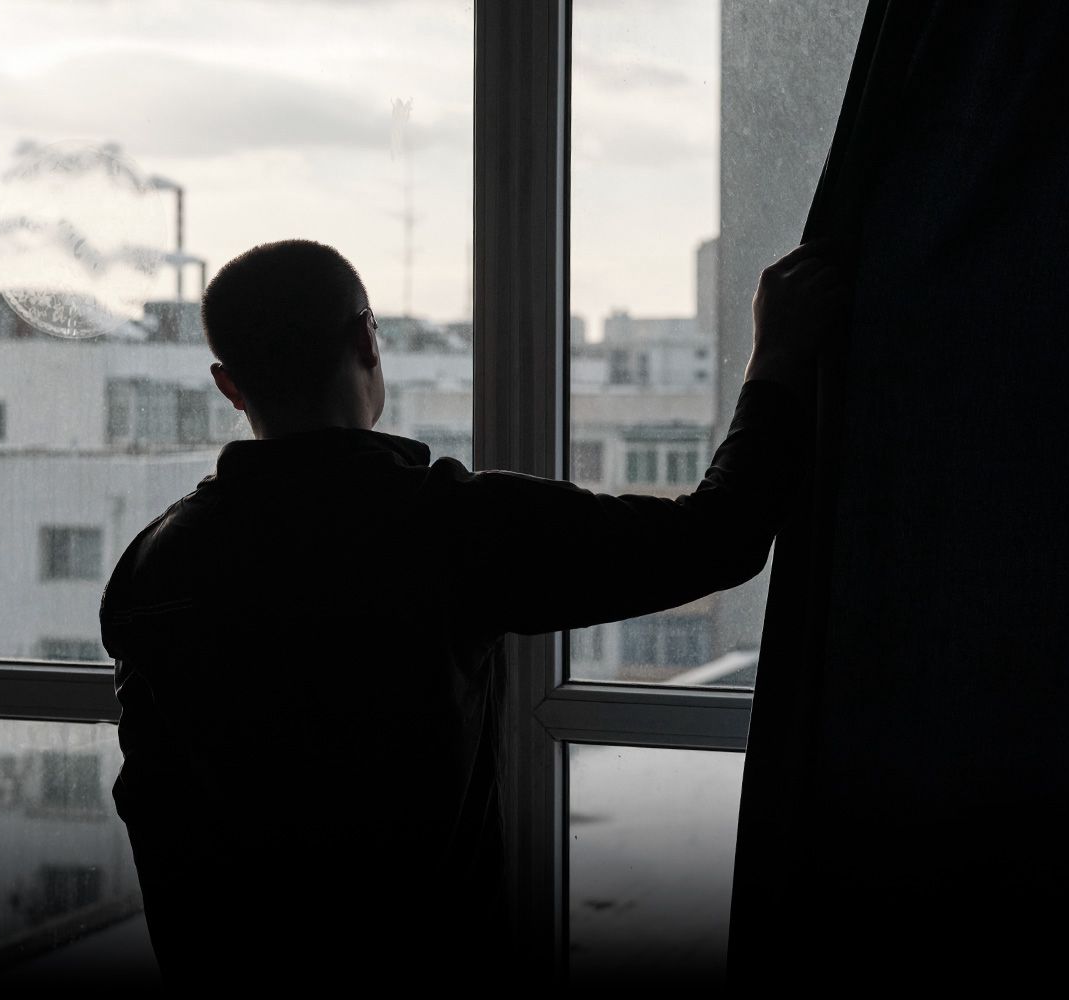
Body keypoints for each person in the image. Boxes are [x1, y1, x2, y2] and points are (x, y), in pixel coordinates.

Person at [99, 238, 843, 987]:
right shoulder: (447, 528)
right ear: (367, 342)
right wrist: (776, 357)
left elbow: (155, 818)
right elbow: (715, 540)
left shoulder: (154, 566)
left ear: (229, 385)